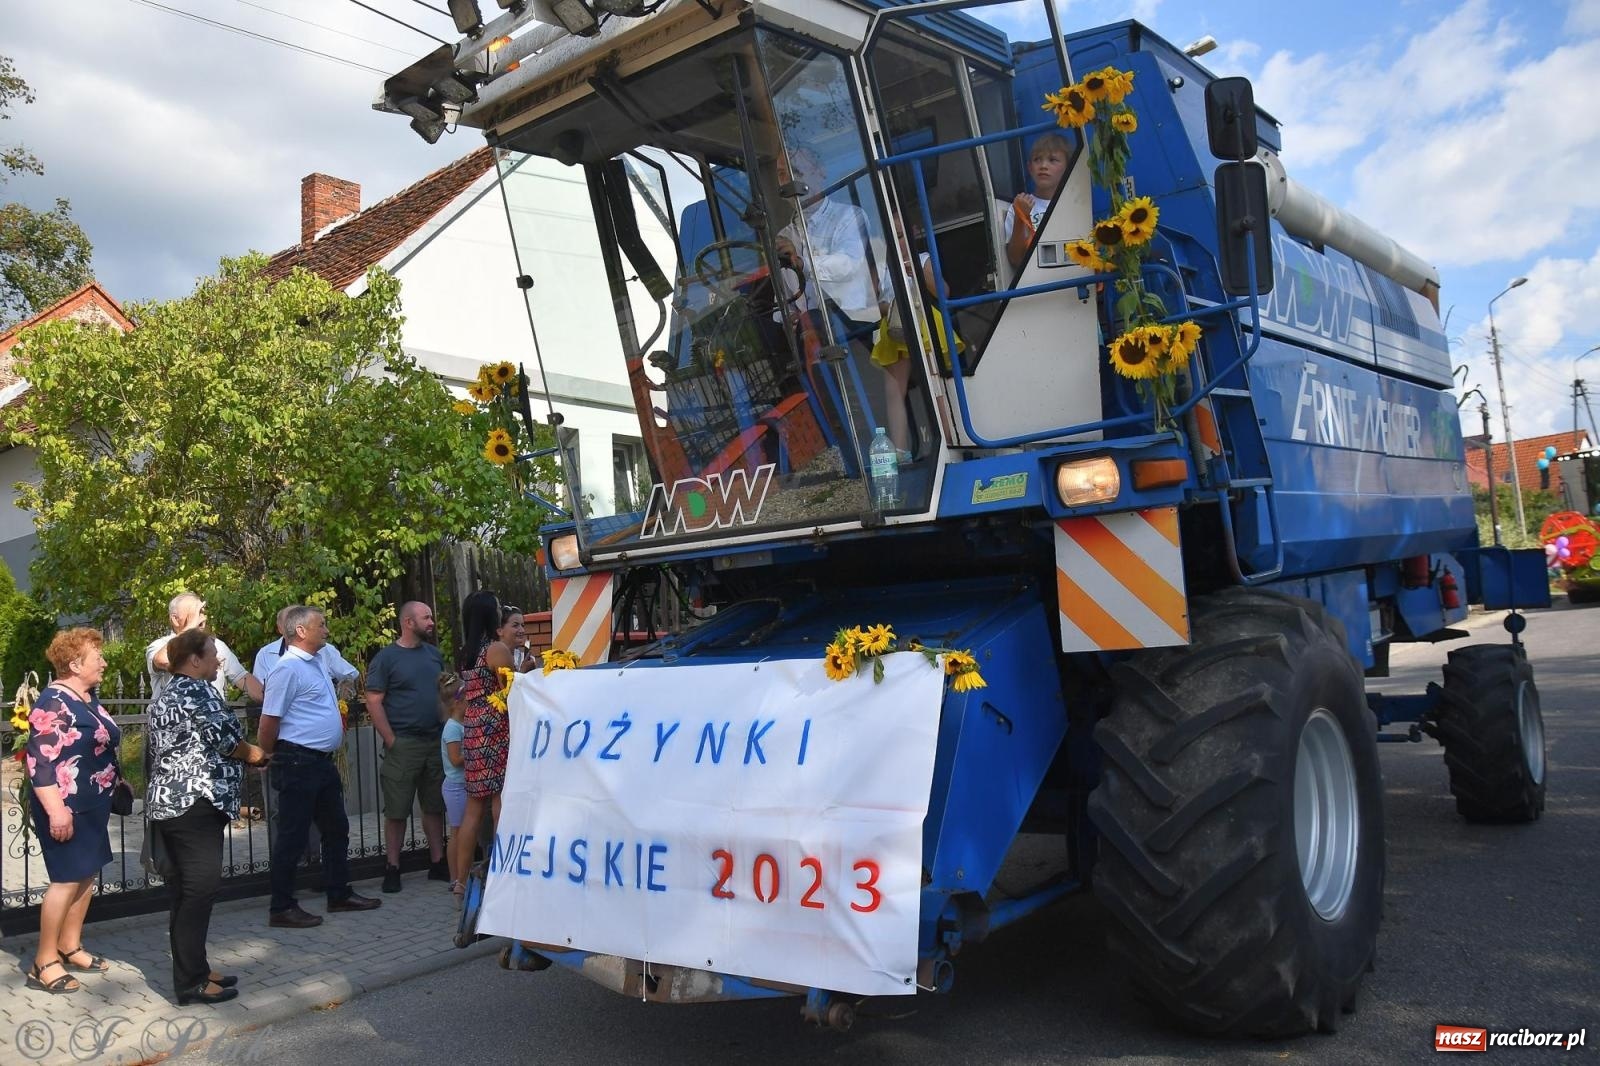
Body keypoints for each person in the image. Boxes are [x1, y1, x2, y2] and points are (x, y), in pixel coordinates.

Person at [145, 629, 268, 1005]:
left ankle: (195, 970)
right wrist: (257, 755)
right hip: (194, 804)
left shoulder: (168, 693)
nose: (218, 661)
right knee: (198, 890)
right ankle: (190, 983)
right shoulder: (197, 692)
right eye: (214, 654)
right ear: (194, 660)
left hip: (174, 804)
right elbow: (227, 741)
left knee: (186, 891)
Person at [258, 605, 382, 928]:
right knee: (293, 836)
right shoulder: (287, 670)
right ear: (301, 631)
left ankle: (338, 893)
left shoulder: (316, 662)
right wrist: (268, 755)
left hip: (320, 763)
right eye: (321, 624)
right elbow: (269, 721)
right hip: (297, 761)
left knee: (336, 828)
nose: (326, 629)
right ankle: (281, 907)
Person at [23, 628, 122, 995]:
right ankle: (43, 961)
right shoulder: (54, 702)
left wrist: (118, 780)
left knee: (85, 875)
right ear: (75, 663)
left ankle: (70, 945)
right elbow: (39, 763)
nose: (105, 662)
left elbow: (99, 745)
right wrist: (56, 811)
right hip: (66, 806)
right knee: (65, 880)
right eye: (98, 657)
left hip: (93, 801)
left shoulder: (87, 697)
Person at [364, 601, 448, 893]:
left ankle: (438, 863)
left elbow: (446, 694)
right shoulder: (386, 659)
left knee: (434, 806)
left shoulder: (434, 656)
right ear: (408, 622)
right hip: (404, 743)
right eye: (426, 617)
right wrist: (391, 740)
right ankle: (393, 867)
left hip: (434, 742)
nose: (432, 622)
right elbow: (373, 700)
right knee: (397, 811)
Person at [449, 591, 513, 888]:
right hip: (495, 724)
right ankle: (502, 872)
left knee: (474, 807)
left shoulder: (466, 651)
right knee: (500, 796)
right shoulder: (495, 649)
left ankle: (460, 882)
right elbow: (510, 689)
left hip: (473, 726)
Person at [146, 592, 263, 705]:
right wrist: (190, 627)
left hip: (211, 719)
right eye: (194, 612)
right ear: (175, 619)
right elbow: (161, 660)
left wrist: (273, 703)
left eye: (202, 611)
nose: (201, 616)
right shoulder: (159, 645)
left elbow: (242, 677)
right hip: (177, 722)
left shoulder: (216, 645)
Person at [1004, 132, 1070, 270]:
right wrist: (1021, 217)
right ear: (1030, 168)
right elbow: (1016, 260)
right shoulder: (1020, 206)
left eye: (1052, 160)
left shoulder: (1076, 205)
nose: (1043, 166)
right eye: (1037, 159)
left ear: (1068, 167)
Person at [253, 606, 359, 690]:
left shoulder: (325, 649)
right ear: (280, 629)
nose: (327, 631)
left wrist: (344, 687)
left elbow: (350, 674)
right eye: (290, 623)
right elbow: (261, 692)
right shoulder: (266, 654)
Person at [437, 671, 467, 896]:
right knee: (457, 831)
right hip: (456, 787)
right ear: (458, 702)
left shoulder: (461, 724)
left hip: (463, 785)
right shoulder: (453, 728)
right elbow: (456, 760)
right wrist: (477, 751)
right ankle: (455, 876)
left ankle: (461, 875)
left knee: (463, 830)